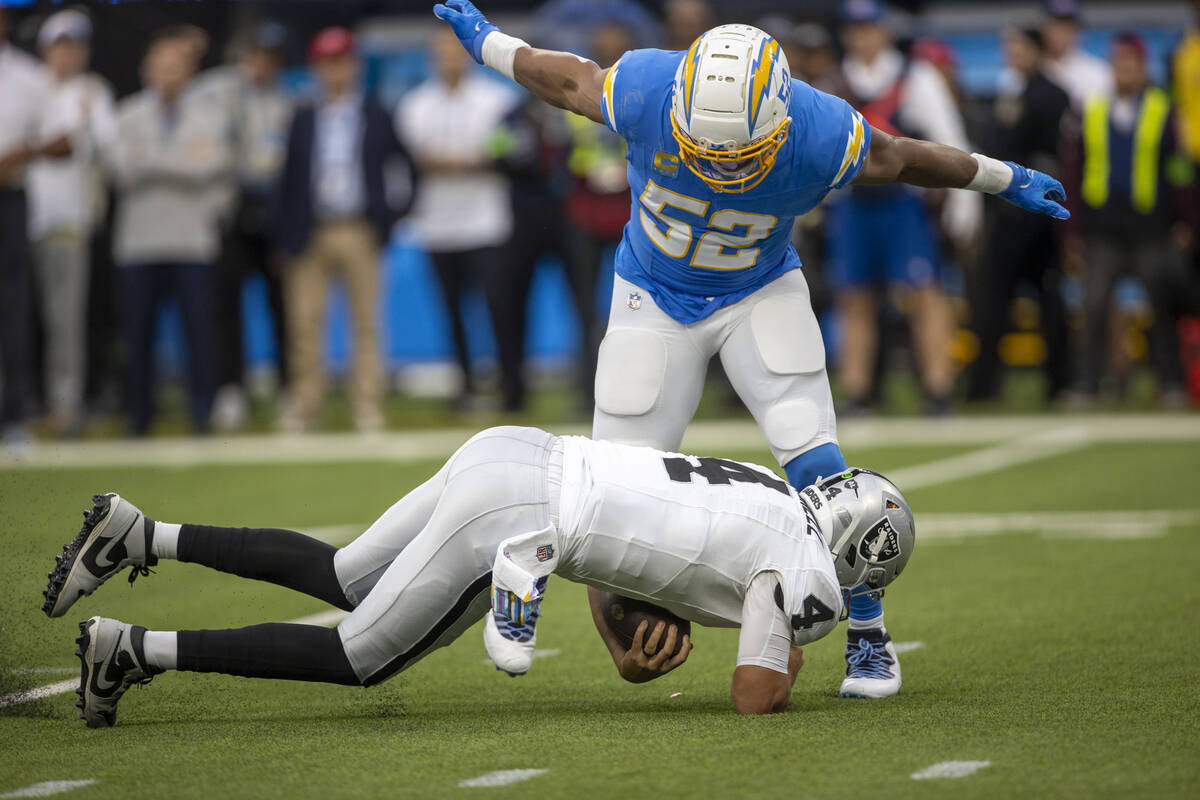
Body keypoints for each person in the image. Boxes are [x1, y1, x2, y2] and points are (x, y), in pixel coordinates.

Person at [431, 0, 1068, 697]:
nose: (723, 167)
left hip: (757, 290)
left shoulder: (820, 129)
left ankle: (867, 628)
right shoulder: (645, 87)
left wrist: (998, 176)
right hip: (651, 296)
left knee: (818, 464)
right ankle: (555, 590)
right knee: (610, 488)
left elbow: (902, 156)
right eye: (708, 149)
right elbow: (559, 77)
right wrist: (490, 42)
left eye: (740, 151)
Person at [42, 426, 916, 725]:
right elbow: (756, 694)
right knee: (360, 653)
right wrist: (798, 653)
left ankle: (144, 534)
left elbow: (660, 537)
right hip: (522, 516)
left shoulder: (767, 487)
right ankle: (132, 652)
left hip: (517, 452)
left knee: (348, 574)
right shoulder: (804, 568)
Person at [831, 0, 979, 415]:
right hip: (853, 202)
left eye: (869, 28)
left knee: (923, 293)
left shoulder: (916, 77)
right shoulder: (836, 80)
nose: (863, 37)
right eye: (855, 30)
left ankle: (938, 389)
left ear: (884, 31)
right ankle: (858, 393)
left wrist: (964, 202)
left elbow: (948, 139)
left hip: (903, 202)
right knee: (853, 296)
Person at [276, 27, 418, 432]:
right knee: (305, 323)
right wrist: (286, 236)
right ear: (316, 68)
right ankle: (306, 406)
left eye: (341, 61)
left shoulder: (376, 113)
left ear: (354, 65)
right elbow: (287, 181)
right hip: (312, 229)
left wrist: (393, 216)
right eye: (326, 63)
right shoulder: (303, 116)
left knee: (367, 322)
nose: (335, 71)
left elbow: (406, 166)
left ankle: (367, 405)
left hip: (359, 227)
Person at [110, 27, 231, 436]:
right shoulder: (126, 114)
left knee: (198, 335)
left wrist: (153, 161)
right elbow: (123, 171)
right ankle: (139, 417)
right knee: (139, 337)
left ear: (189, 73)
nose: (168, 75)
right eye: (162, 67)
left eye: (176, 68)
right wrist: (181, 161)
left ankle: (202, 415)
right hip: (140, 242)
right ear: (147, 70)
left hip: (191, 241)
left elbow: (208, 167)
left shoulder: (209, 116)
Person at [1067, 32, 1195, 404]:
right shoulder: (1092, 109)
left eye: (1130, 64)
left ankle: (1170, 382)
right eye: (1117, 64)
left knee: (1161, 306)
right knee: (1092, 306)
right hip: (1103, 226)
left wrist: (1185, 220)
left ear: (1142, 69)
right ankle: (1088, 384)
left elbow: (1178, 170)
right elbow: (1075, 172)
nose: (1123, 71)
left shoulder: (1162, 109)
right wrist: (1073, 227)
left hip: (1150, 225)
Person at [396, 27, 516, 411]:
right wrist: (466, 162)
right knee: (451, 310)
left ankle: (508, 386)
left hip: (485, 221)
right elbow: (413, 161)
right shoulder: (415, 105)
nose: (448, 59)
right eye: (441, 52)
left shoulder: (496, 101)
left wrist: (453, 163)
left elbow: (502, 155)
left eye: (454, 52)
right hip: (437, 224)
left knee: (497, 307)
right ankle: (465, 386)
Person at [195, 23, 293, 432]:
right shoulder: (218, 92)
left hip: (271, 212)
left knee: (280, 304)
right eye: (255, 56)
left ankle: (288, 389)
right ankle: (230, 388)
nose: (261, 65)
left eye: (269, 58)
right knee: (225, 306)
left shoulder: (287, 102)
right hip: (229, 209)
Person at [967, 28, 1072, 404]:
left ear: (1038, 51)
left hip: (1039, 215)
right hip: (1006, 211)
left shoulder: (1053, 94)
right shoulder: (1011, 92)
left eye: (1019, 46)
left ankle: (1060, 381)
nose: (1012, 53)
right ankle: (984, 385)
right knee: (993, 299)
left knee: (1048, 299)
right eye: (1008, 45)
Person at [27, 10, 116, 437]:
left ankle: (65, 405)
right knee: (17, 317)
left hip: (68, 221)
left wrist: (86, 121)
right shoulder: (25, 86)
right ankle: (20, 401)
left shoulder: (93, 91)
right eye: (62, 45)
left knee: (66, 320)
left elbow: (107, 146)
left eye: (77, 46)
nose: (69, 55)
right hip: (19, 218)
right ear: (46, 49)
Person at [0, 8, 73, 445]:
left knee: (12, 308)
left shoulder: (29, 75)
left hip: (9, 200)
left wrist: (22, 152)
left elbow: (63, 139)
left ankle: (12, 416)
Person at [1040, 0, 1111, 110]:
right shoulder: (1031, 69)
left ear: (1077, 30)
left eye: (1067, 26)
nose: (1060, 33)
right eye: (1056, 25)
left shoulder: (1097, 72)